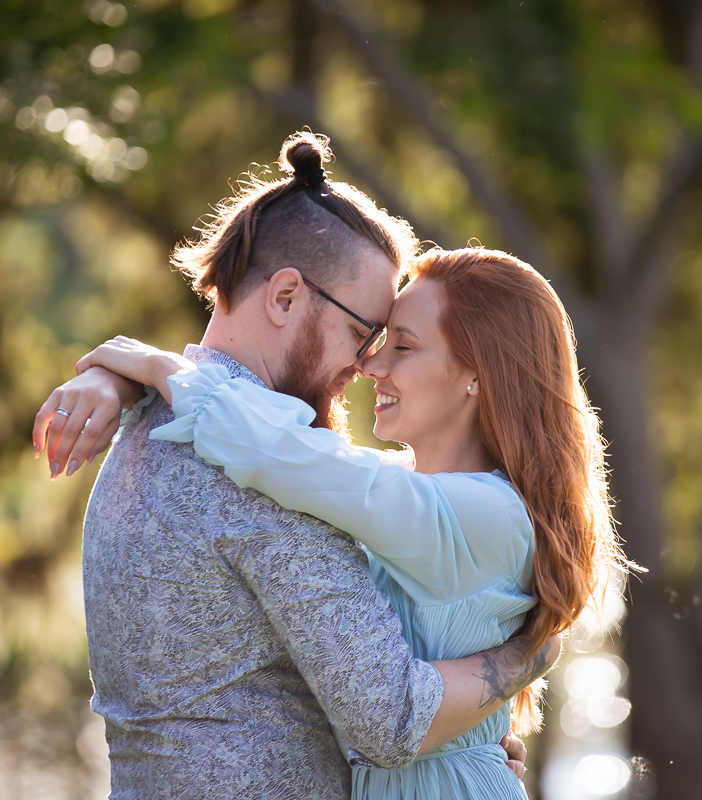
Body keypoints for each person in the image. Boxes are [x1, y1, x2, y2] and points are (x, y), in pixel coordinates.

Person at [32, 132, 556, 799]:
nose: (366, 366)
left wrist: (469, 754)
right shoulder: (266, 479)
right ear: (284, 297)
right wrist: (520, 660)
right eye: (365, 333)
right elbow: (391, 717)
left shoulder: (143, 427)